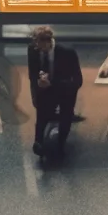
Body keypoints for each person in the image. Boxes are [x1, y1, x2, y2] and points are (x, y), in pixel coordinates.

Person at [27, 25, 83, 159]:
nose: (38, 49)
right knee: (41, 114)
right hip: (44, 89)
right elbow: (32, 73)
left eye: (40, 46)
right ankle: (38, 142)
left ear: (48, 42)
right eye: (36, 45)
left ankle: (60, 145)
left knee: (66, 116)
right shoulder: (33, 50)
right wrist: (36, 87)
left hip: (64, 89)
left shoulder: (68, 52)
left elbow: (77, 81)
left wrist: (53, 83)